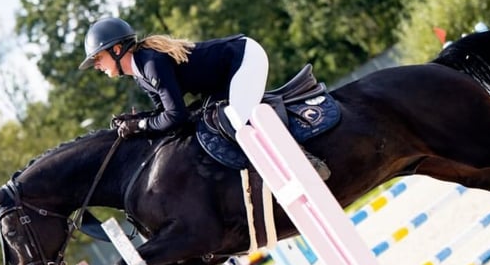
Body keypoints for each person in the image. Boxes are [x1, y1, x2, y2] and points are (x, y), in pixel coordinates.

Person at [79, 17, 330, 179]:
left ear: (116, 49)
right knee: (212, 121)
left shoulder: (152, 63)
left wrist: (142, 125)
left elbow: (176, 116)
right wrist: (137, 122)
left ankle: (302, 159)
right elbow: (163, 113)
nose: (97, 66)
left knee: (235, 121)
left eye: (98, 58)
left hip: (244, 59)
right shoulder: (141, 72)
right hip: (224, 78)